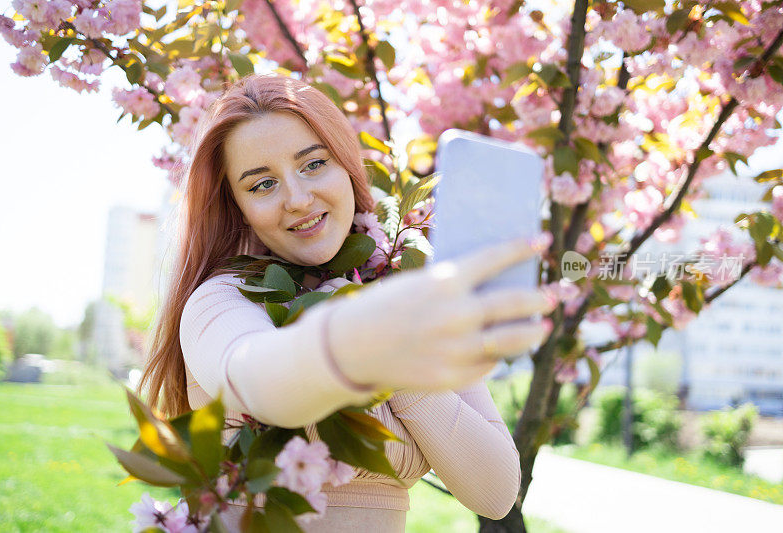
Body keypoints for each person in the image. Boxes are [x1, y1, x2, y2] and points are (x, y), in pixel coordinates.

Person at [140, 73, 552, 532]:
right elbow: (258, 381)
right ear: (237, 207)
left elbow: (495, 492)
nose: (297, 199)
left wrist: (399, 365)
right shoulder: (222, 301)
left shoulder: (392, 291)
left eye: (314, 164)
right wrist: (367, 338)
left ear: (348, 167)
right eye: (262, 185)